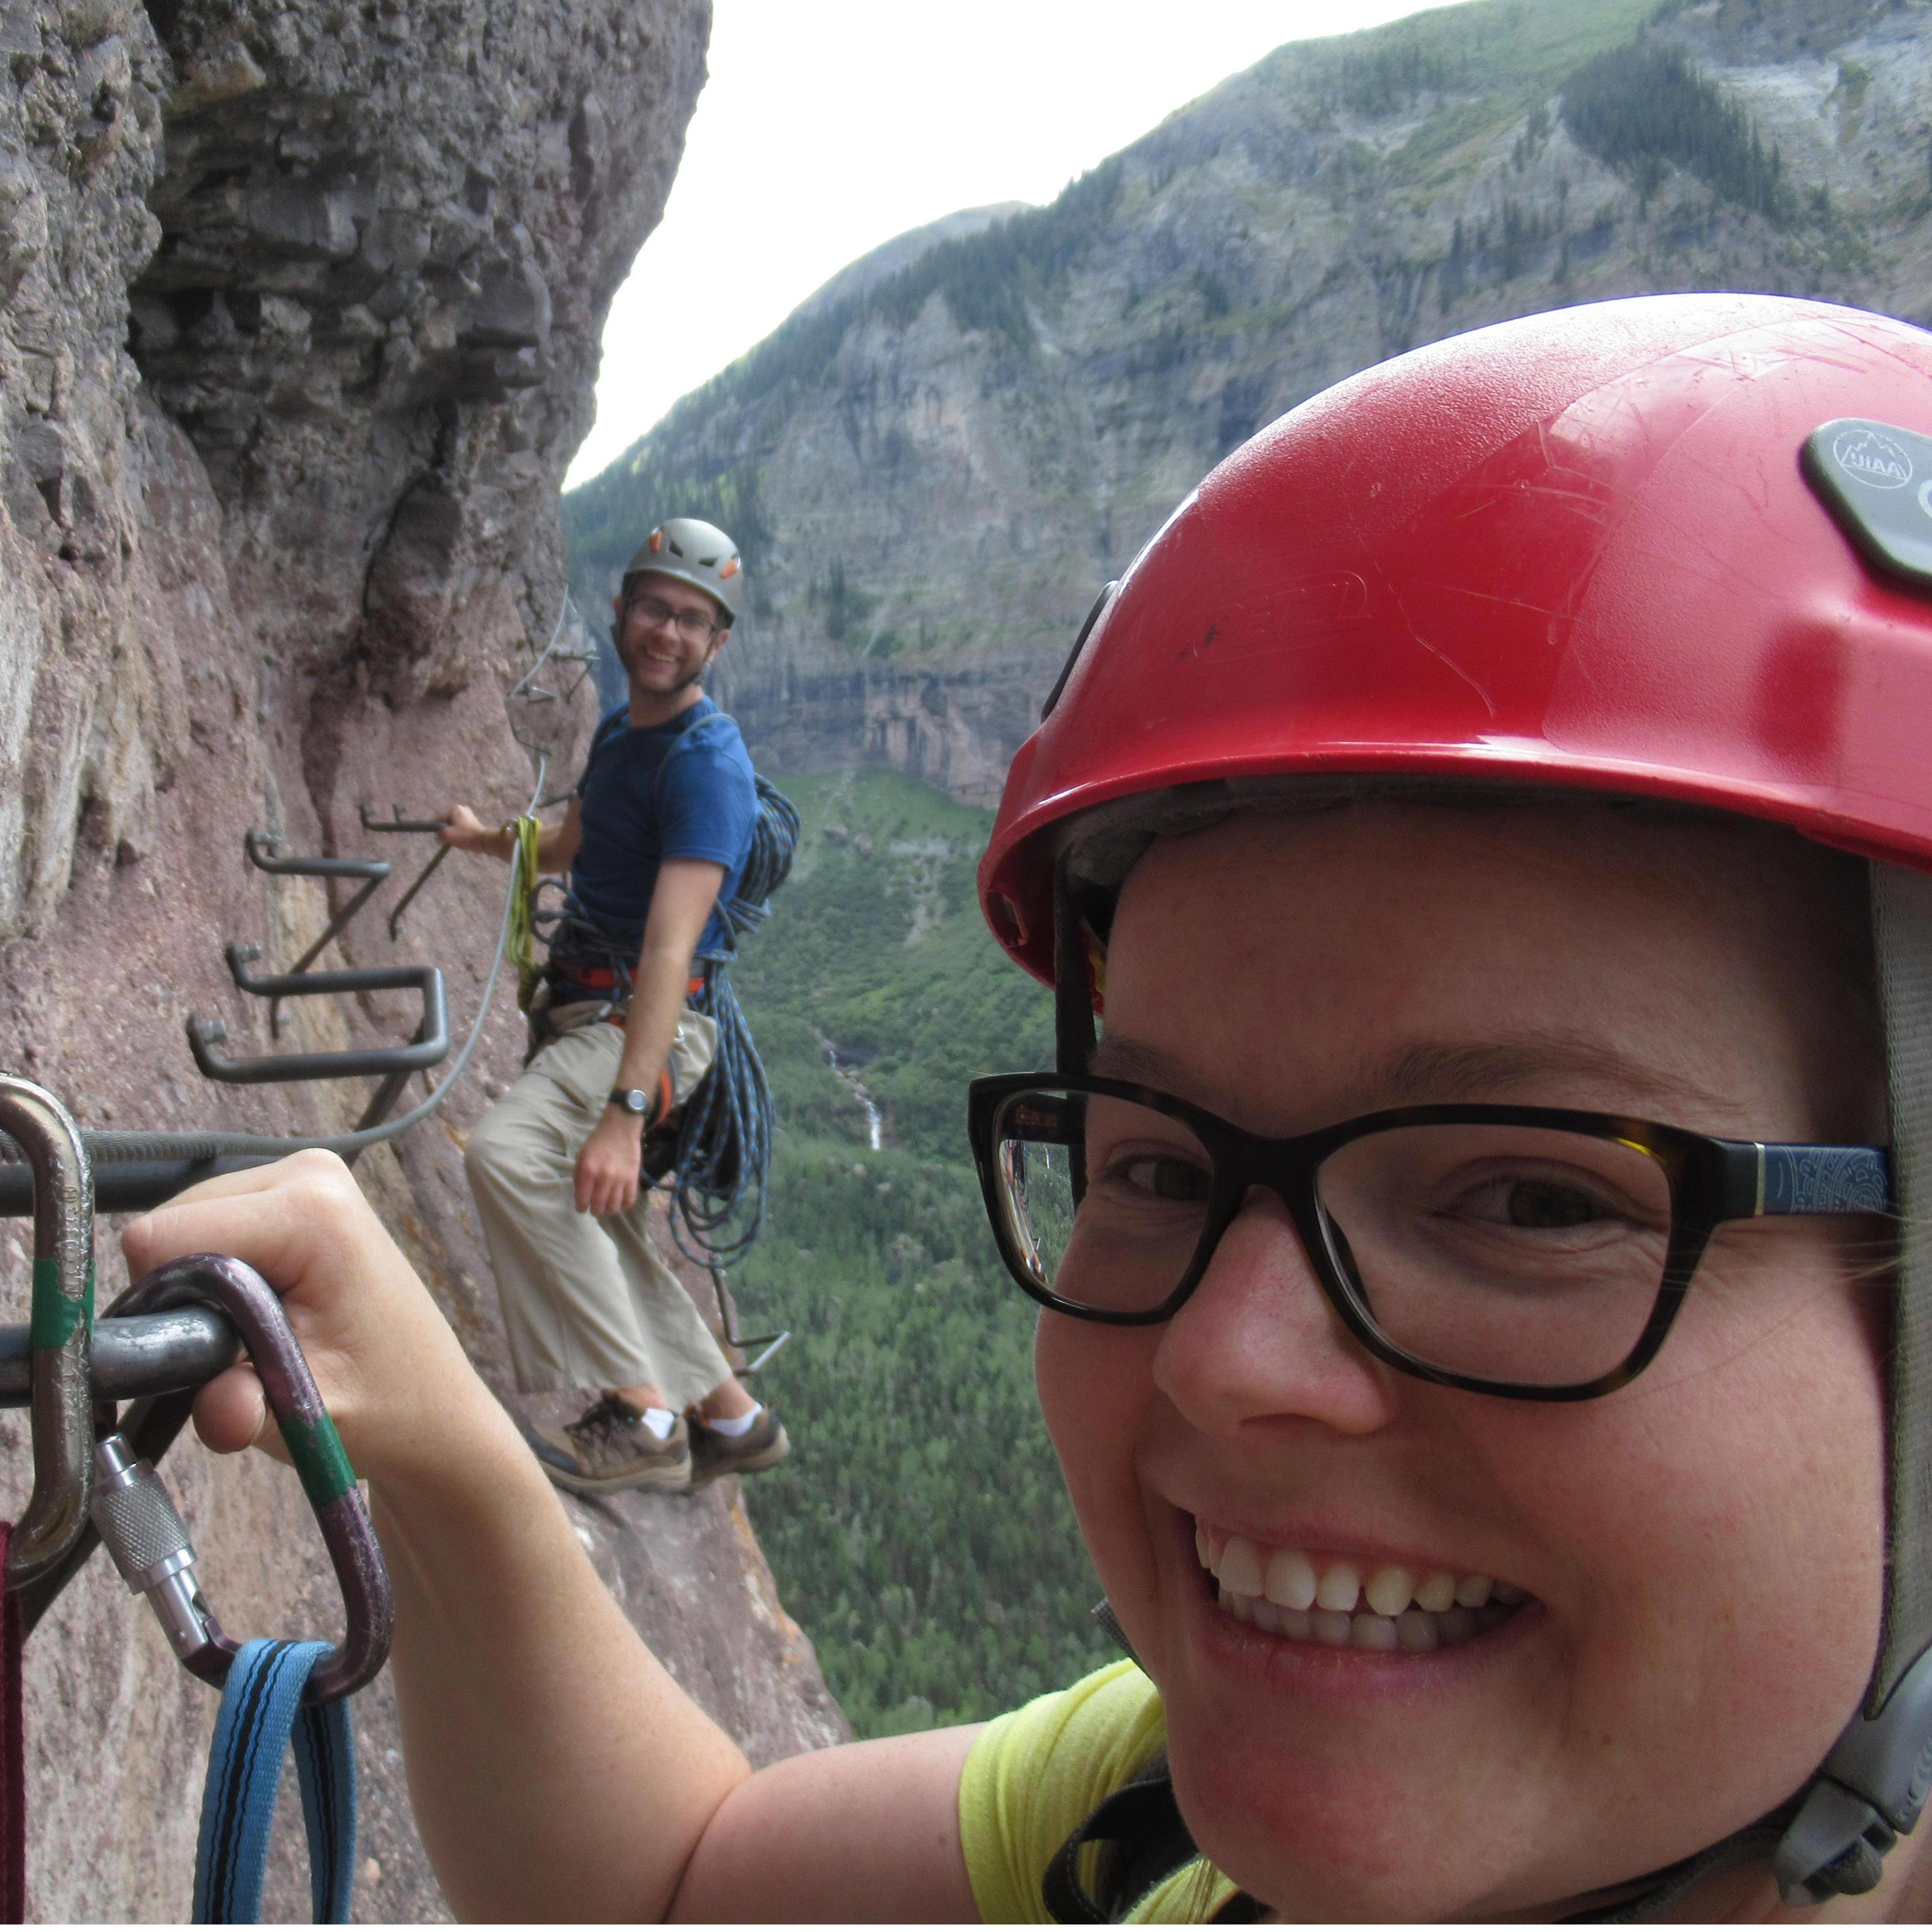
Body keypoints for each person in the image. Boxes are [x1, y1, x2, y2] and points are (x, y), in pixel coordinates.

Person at [117, 292, 1932, 1917]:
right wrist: (426, 1426)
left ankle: (668, 1395)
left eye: (1535, 1197)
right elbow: (671, 1883)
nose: (1228, 1353)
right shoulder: (1144, 1810)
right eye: (1147, 1157)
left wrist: (630, 1087)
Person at [440, 516, 788, 1496]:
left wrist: (626, 1119)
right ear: (623, 610)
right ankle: (733, 1416)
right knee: (608, 1223)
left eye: (691, 620)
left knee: (513, 1158)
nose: (666, 633)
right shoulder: (622, 733)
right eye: (654, 609)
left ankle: (643, 1416)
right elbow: (569, 849)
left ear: (717, 642)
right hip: (599, 1009)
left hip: (644, 1018)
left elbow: (671, 951)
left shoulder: (704, 764)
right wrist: (480, 841)